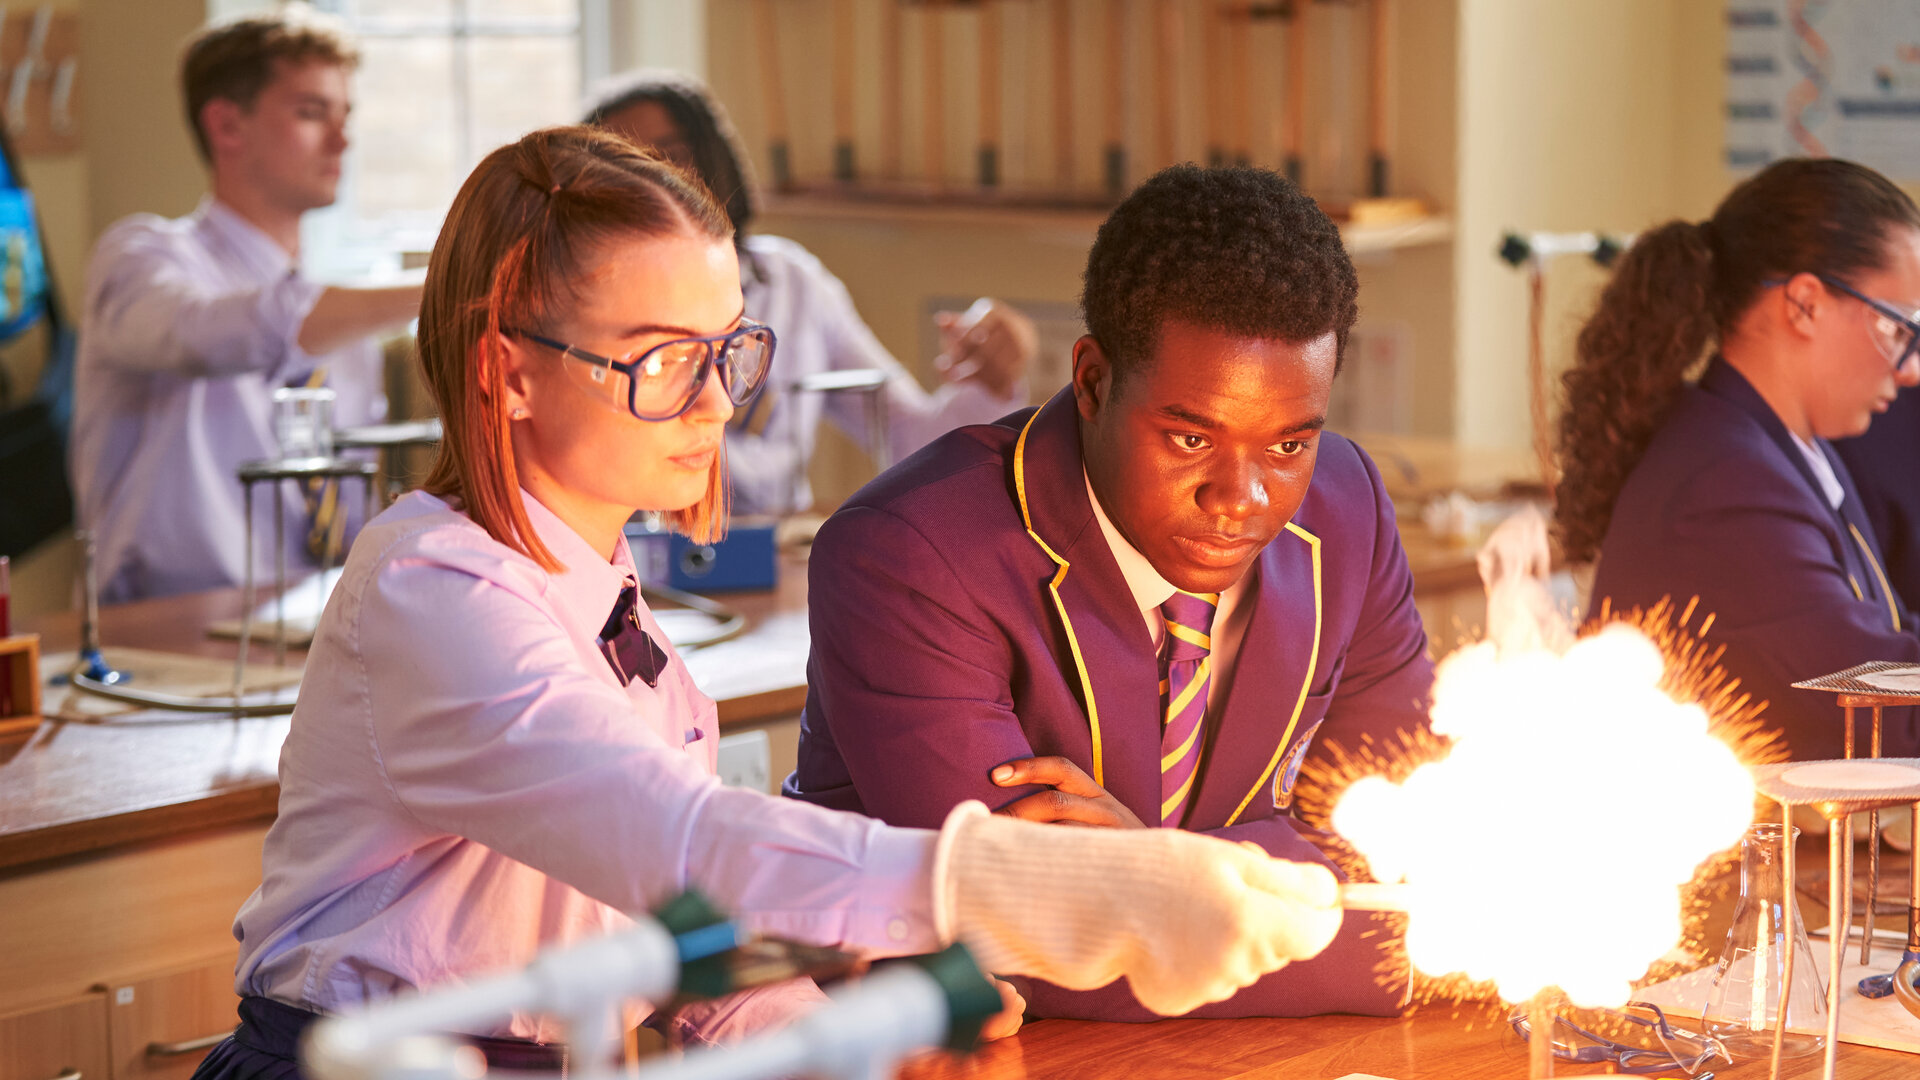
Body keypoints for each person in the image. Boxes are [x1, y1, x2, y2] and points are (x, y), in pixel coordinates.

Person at [189, 127, 1352, 1077]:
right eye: (661, 360)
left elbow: (681, 942)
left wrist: (864, 1034)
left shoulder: (603, 600)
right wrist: (1053, 890)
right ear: (507, 368)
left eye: (725, 351)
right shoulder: (433, 594)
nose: (714, 405)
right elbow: (677, 844)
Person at [785, 165, 1435, 1021]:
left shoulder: (1346, 506)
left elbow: (1416, 875)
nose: (1242, 498)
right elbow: (1032, 931)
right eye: (1190, 436)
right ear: (1091, 381)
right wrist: (1146, 904)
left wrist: (1152, 877)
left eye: (1287, 447)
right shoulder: (908, 554)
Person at [1558, 157, 1920, 763]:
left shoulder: (1788, 450)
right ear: (1804, 304)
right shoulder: (1728, 484)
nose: (1909, 368)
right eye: (1895, 328)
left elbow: (1889, 638)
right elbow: (1873, 710)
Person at [70, 6, 422, 602]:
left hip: (314, 629)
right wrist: (441, 287)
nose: (343, 140)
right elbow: (203, 332)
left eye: (345, 115)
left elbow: (350, 505)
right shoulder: (141, 258)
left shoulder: (344, 326)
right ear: (228, 127)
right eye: (312, 112)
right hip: (159, 636)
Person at [585, 70, 1038, 514]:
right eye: (621, 164)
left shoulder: (792, 282)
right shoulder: (583, 304)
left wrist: (991, 376)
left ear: (713, 162)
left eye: (669, 155)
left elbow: (912, 442)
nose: (648, 182)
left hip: (776, 557)